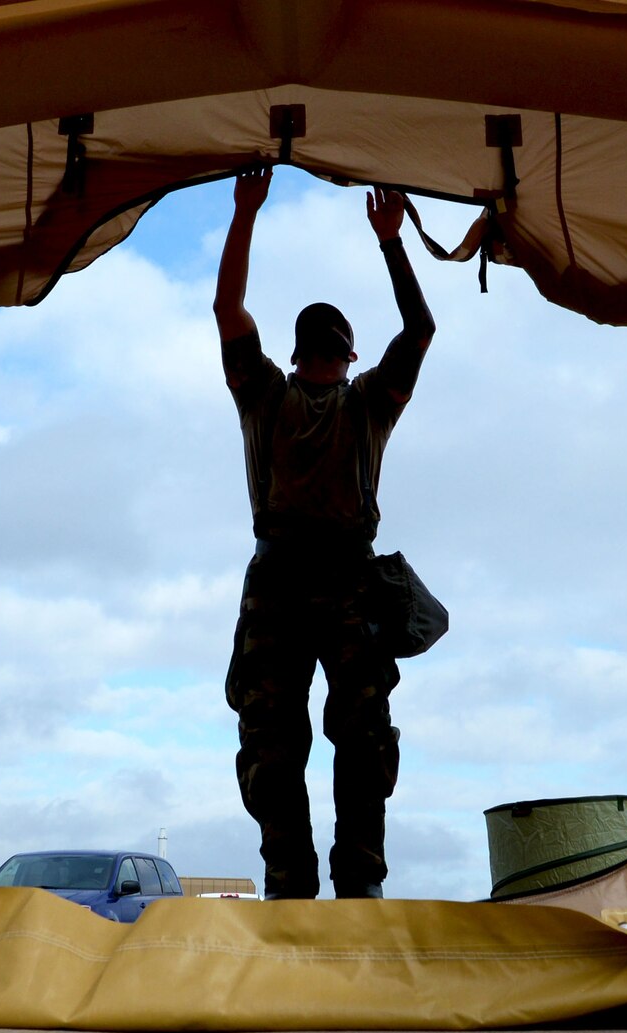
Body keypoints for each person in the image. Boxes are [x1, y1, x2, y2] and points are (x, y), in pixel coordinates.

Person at [213, 166, 435, 900]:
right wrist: (391, 244)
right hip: (334, 582)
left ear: (303, 348)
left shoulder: (268, 395)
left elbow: (226, 305)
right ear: (348, 354)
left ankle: (292, 886)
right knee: (351, 737)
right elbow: (421, 329)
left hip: (291, 580)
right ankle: (353, 888)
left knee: (279, 739)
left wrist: (246, 212)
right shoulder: (366, 401)